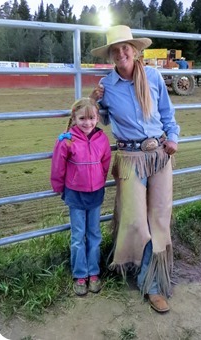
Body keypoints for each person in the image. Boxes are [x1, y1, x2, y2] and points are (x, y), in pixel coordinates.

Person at [90, 25, 180, 313]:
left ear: (135, 50)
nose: (121, 52)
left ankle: (151, 282)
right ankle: (137, 267)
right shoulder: (106, 86)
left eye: (125, 47)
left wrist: (173, 137)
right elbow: (101, 119)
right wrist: (95, 102)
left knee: (159, 219)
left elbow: (167, 113)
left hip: (159, 154)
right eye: (115, 50)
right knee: (137, 221)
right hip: (129, 157)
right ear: (111, 56)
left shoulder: (153, 76)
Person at [50, 97, 111, 296]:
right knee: (78, 236)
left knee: (94, 234)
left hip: (95, 194)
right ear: (74, 118)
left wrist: (100, 181)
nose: (87, 123)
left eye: (92, 118)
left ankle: (93, 272)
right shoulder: (67, 140)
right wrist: (58, 186)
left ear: (97, 118)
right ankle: (80, 275)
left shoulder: (102, 139)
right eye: (82, 118)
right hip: (75, 194)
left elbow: (105, 162)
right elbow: (58, 166)